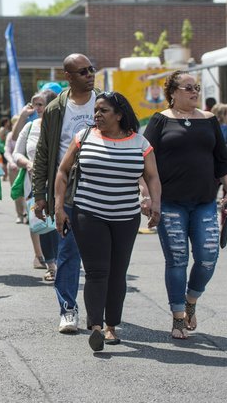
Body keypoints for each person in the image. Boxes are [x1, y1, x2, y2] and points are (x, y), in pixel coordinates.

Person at [54, 92, 161, 351]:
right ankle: (97, 327)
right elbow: (63, 171)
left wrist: (155, 202)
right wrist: (59, 207)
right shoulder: (84, 137)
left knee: (117, 272)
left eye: (103, 111)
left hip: (125, 217)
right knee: (96, 271)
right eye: (96, 111)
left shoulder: (140, 143)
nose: (97, 115)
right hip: (88, 213)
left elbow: (153, 176)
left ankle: (112, 326)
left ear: (119, 114)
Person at [143, 70, 227, 339]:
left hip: (205, 202)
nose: (194, 91)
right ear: (172, 93)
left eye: (196, 87)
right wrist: (147, 194)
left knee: (208, 258)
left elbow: (223, 160)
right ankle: (178, 318)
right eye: (188, 88)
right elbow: (144, 160)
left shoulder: (209, 120)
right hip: (170, 203)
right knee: (177, 260)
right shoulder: (160, 121)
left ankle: (191, 301)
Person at [32, 54, 98, 334]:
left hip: (102, 187)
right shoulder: (55, 109)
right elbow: (44, 153)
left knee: (99, 255)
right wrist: (40, 195)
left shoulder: (106, 102)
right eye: (82, 71)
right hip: (67, 189)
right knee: (69, 253)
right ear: (68, 77)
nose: (89, 74)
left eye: (91, 69)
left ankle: (101, 311)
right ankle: (68, 308)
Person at [14, 90, 60, 278]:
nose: (36, 109)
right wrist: (28, 163)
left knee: (60, 221)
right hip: (34, 183)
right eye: (34, 105)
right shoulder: (30, 126)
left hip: (59, 181)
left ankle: (61, 263)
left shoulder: (61, 126)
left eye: (40, 104)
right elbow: (16, 153)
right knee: (43, 223)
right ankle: (51, 265)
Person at [5, 115, 27, 225]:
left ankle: (27, 214)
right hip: (13, 168)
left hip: (25, 167)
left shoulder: (27, 132)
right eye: (15, 123)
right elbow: (7, 151)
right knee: (17, 192)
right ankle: (19, 214)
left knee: (27, 192)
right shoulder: (10, 135)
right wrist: (12, 163)